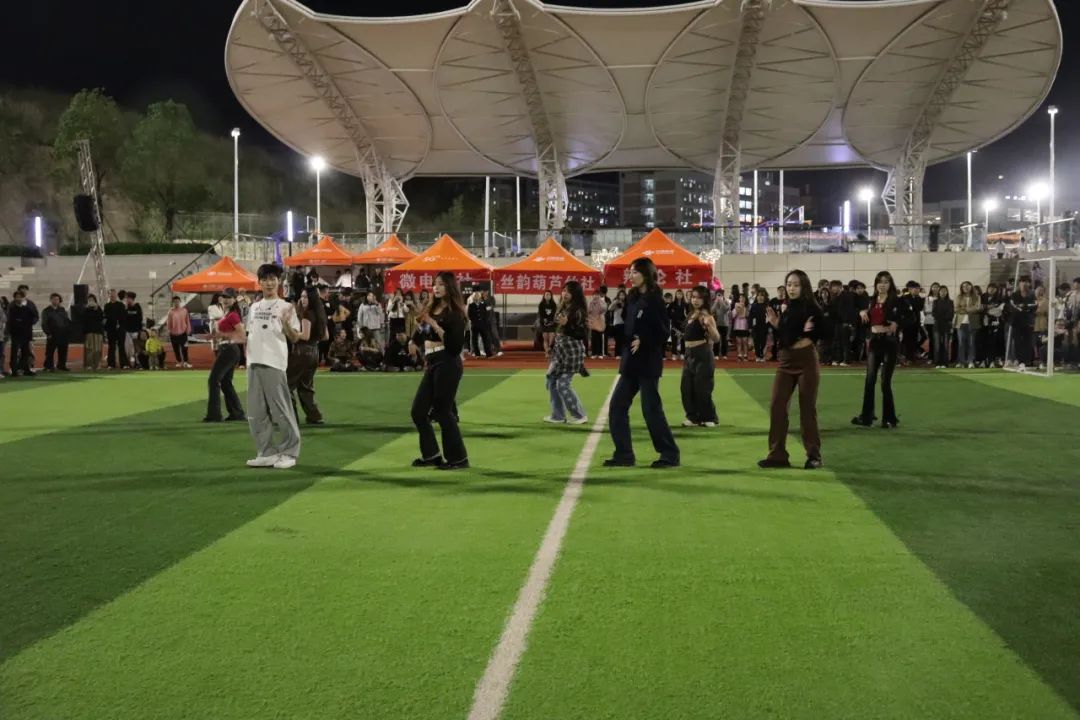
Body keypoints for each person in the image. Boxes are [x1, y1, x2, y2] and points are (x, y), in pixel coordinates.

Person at [604, 257, 680, 469]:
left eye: (635, 272)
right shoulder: (633, 298)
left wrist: (644, 340)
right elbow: (627, 331)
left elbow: (663, 331)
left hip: (647, 362)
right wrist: (606, 329)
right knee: (617, 407)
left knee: (651, 410)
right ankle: (624, 454)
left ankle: (670, 454)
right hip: (630, 362)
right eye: (630, 272)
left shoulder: (655, 300)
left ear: (646, 274)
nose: (631, 275)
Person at [758, 269, 824, 470]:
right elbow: (788, 334)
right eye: (789, 284)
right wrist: (777, 323)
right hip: (786, 361)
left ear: (804, 286)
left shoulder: (813, 308)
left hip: (806, 361)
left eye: (796, 285)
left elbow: (813, 332)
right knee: (777, 405)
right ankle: (777, 455)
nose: (791, 288)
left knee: (807, 408)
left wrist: (790, 328)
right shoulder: (787, 308)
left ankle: (814, 455)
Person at [245, 264, 303, 469]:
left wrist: (286, 324)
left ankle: (290, 452)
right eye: (265, 279)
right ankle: (266, 452)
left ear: (279, 282)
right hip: (253, 362)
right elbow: (251, 334)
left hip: (274, 362)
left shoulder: (286, 307)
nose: (269, 283)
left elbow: (295, 337)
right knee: (256, 412)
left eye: (273, 279)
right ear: (259, 282)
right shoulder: (254, 307)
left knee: (281, 410)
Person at [410, 271, 469, 470]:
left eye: (441, 284)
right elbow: (422, 331)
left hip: (448, 362)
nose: (436, 287)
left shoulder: (456, 313)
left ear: (449, 287)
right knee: (418, 411)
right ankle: (431, 455)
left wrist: (434, 324)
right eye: (435, 284)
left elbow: (454, 346)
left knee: (443, 412)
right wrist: (413, 341)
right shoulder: (432, 308)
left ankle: (458, 459)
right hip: (432, 362)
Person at [852, 271, 901, 429]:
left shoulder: (896, 301)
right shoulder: (871, 301)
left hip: (889, 342)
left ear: (890, 284)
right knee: (870, 380)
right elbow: (864, 319)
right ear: (876, 284)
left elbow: (909, 317)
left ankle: (889, 419)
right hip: (874, 342)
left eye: (886, 282)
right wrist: (861, 312)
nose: (882, 285)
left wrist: (897, 323)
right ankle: (866, 417)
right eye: (880, 282)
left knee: (885, 382)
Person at [544, 280, 589, 425]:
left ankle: (579, 415)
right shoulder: (562, 307)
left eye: (568, 291)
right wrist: (551, 344)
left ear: (575, 294)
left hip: (572, 352)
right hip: (560, 351)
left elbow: (582, 334)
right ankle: (558, 415)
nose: (565, 294)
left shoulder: (579, 311)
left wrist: (567, 324)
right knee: (551, 379)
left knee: (562, 384)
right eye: (563, 290)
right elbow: (559, 329)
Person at [204, 288, 247, 423]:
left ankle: (214, 415)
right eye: (224, 297)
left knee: (213, 380)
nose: (225, 299)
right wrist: (215, 336)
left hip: (229, 349)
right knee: (225, 382)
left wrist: (222, 335)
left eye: (229, 297)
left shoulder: (232, 315)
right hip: (228, 349)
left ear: (234, 300)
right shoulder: (227, 313)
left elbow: (242, 336)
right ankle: (237, 413)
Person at [680, 285, 720, 427]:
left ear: (705, 300)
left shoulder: (706, 316)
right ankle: (693, 417)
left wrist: (710, 326)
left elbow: (716, 338)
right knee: (686, 387)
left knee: (702, 388)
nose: (695, 300)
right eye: (693, 297)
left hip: (702, 354)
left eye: (699, 298)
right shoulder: (691, 314)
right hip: (688, 354)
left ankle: (709, 417)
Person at [287, 286, 327, 425]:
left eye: (306, 297)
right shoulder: (320, 313)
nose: (303, 299)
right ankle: (315, 416)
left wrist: (290, 332)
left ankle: (291, 418)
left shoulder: (307, 314)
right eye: (302, 296)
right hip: (315, 352)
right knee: (306, 386)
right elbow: (325, 336)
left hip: (302, 352)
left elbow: (305, 335)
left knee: (286, 384)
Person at [7, 290, 36, 376]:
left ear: (23, 298)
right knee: (14, 352)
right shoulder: (12, 309)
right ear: (14, 298)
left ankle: (26, 369)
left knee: (26, 352)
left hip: (26, 333)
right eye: (17, 297)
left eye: (20, 297)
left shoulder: (27, 309)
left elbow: (31, 321)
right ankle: (14, 370)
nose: (19, 298)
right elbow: (10, 322)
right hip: (16, 334)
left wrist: (29, 334)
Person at [41, 293, 72, 372]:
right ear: (51, 300)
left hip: (63, 333)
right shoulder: (46, 311)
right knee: (50, 351)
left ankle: (61, 365)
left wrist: (68, 330)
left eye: (57, 299)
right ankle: (49, 366)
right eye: (54, 299)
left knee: (63, 351)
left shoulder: (62, 310)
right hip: (52, 334)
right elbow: (44, 323)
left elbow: (66, 320)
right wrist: (48, 333)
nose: (55, 301)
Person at [954, 281, 982, 369]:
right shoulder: (959, 297)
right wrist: (970, 309)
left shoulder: (977, 297)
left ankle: (971, 361)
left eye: (967, 286)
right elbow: (956, 309)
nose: (966, 287)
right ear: (961, 288)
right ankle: (961, 362)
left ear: (971, 287)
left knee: (971, 343)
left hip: (973, 323)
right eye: (964, 286)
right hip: (961, 323)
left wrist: (964, 309)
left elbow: (977, 308)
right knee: (961, 343)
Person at [166, 296, 193, 368]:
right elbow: (168, 322)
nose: (176, 303)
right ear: (172, 303)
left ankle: (186, 362)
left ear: (180, 302)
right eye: (175, 302)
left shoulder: (184, 310)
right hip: (173, 334)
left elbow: (187, 321)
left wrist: (188, 330)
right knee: (176, 349)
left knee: (185, 348)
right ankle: (179, 362)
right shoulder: (170, 312)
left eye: (177, 301)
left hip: (183, 333)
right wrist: (169, 331)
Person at [931, 285, 954, 369]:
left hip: (946, 325)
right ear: (939, 292)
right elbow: (934, 313)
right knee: (937, 345)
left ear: (947, 292)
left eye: (945, 291)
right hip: (937, 325)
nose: (943, 292)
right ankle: (937, 362)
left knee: (945, 344)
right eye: (941, 291)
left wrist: (944, 318)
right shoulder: (935, 301)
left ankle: (945, 362)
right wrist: (941, 317)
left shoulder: (950, 302)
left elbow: (951, 314)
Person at [104, 289, 126, 369]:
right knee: (111, 347)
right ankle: (111, 364)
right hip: (111, 329)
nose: (112, 295)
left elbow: (123, 316)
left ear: (116, 295)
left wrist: (120, 324)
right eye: (111, 294)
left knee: (121, 346)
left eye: (114, 294)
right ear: (108, 295)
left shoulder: (121, 305)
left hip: (120, 329)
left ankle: (123, 364)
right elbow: (106, 317)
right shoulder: (107, 306)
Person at [82, 294, 105, 371]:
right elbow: (84, 319)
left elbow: (101, 318)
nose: (91, 301)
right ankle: (89, 365)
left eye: (92, 300)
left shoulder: (98, 309)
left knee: (98, 349)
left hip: (98, 331)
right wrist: (87, 309)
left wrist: (96, 309)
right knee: (89, 349)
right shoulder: (86, 310)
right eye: (89, 300)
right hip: (89, 331)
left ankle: (97, 364)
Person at [122, 292, 144, 369]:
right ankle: (128, 363)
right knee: (127, 348)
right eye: (126, 298)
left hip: (135, 331)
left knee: (136, 348)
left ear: (132, 299)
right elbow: (123, 318)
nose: (127, 300)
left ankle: (138, 363)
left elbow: (140, 318)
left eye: (128, 298)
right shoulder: (125, 308)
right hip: (127, 331)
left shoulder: (137, 307)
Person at [749, 288, 769, 362]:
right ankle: (757, 356)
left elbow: (769, 317)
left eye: (762, 295)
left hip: (764, 326)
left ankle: (762, 355)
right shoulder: (753, 306)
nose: (760, 297)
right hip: (755, 327)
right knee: (756, 342)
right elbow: (750, 317)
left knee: (763, 342)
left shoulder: (767, 306)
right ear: (756, 297)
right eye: (758, 295)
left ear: (764, 297)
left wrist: (769, 327)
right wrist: (750, 326)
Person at [587, 287, 607, 359]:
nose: (596, 296)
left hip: (600, 322)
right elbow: (588, 311)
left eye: (597, 295)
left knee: (600, 338)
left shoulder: (602, 302)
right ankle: (594, 353)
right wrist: (591, 303)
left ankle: (600, 353)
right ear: (593, 295)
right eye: (594, 295)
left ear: (599, 295)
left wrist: (599, 303)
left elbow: (604, 309)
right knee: (594, 338)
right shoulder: (590, 302)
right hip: (593, 322)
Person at [538, 290, 558, 356]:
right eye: (546, 295)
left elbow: (554, 314)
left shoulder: (553, 304)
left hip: (552, 323)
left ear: (551, 296)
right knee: (545, 339)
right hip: (544, 324)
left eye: (549, 295)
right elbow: (540, 314)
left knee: (551, 339)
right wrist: (544, 320)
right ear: (544, 296)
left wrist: (551, 321)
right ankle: (546, 352)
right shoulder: (541, 304)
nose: (548, 296)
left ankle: (550, 350)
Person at [712, 289, 730, 359]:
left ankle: (724, 354)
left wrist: (722, 302)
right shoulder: (714, 302)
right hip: (716, 324)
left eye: (720, 295)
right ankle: (716, 354)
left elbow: (725, 309)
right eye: (717, 295)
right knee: (716, 339)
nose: (719, 296)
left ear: (723, 295)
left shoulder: (727, 302)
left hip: (725, 324)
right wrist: (716, 303)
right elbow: (712, 310)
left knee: (724, 339)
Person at [731, 295, 750, 361]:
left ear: (745, 299)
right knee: (738, 341)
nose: (742, 299)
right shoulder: (736, 306)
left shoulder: (747, 307)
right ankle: (739, 355)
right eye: (740, 298)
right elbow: (733, 316)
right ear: (739, 299)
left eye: (743, 298)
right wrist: (737, 310)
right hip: (737, 326)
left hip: (745, 326)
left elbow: (748, 315)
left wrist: (745, 310)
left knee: (745, 341)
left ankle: (745, 355)